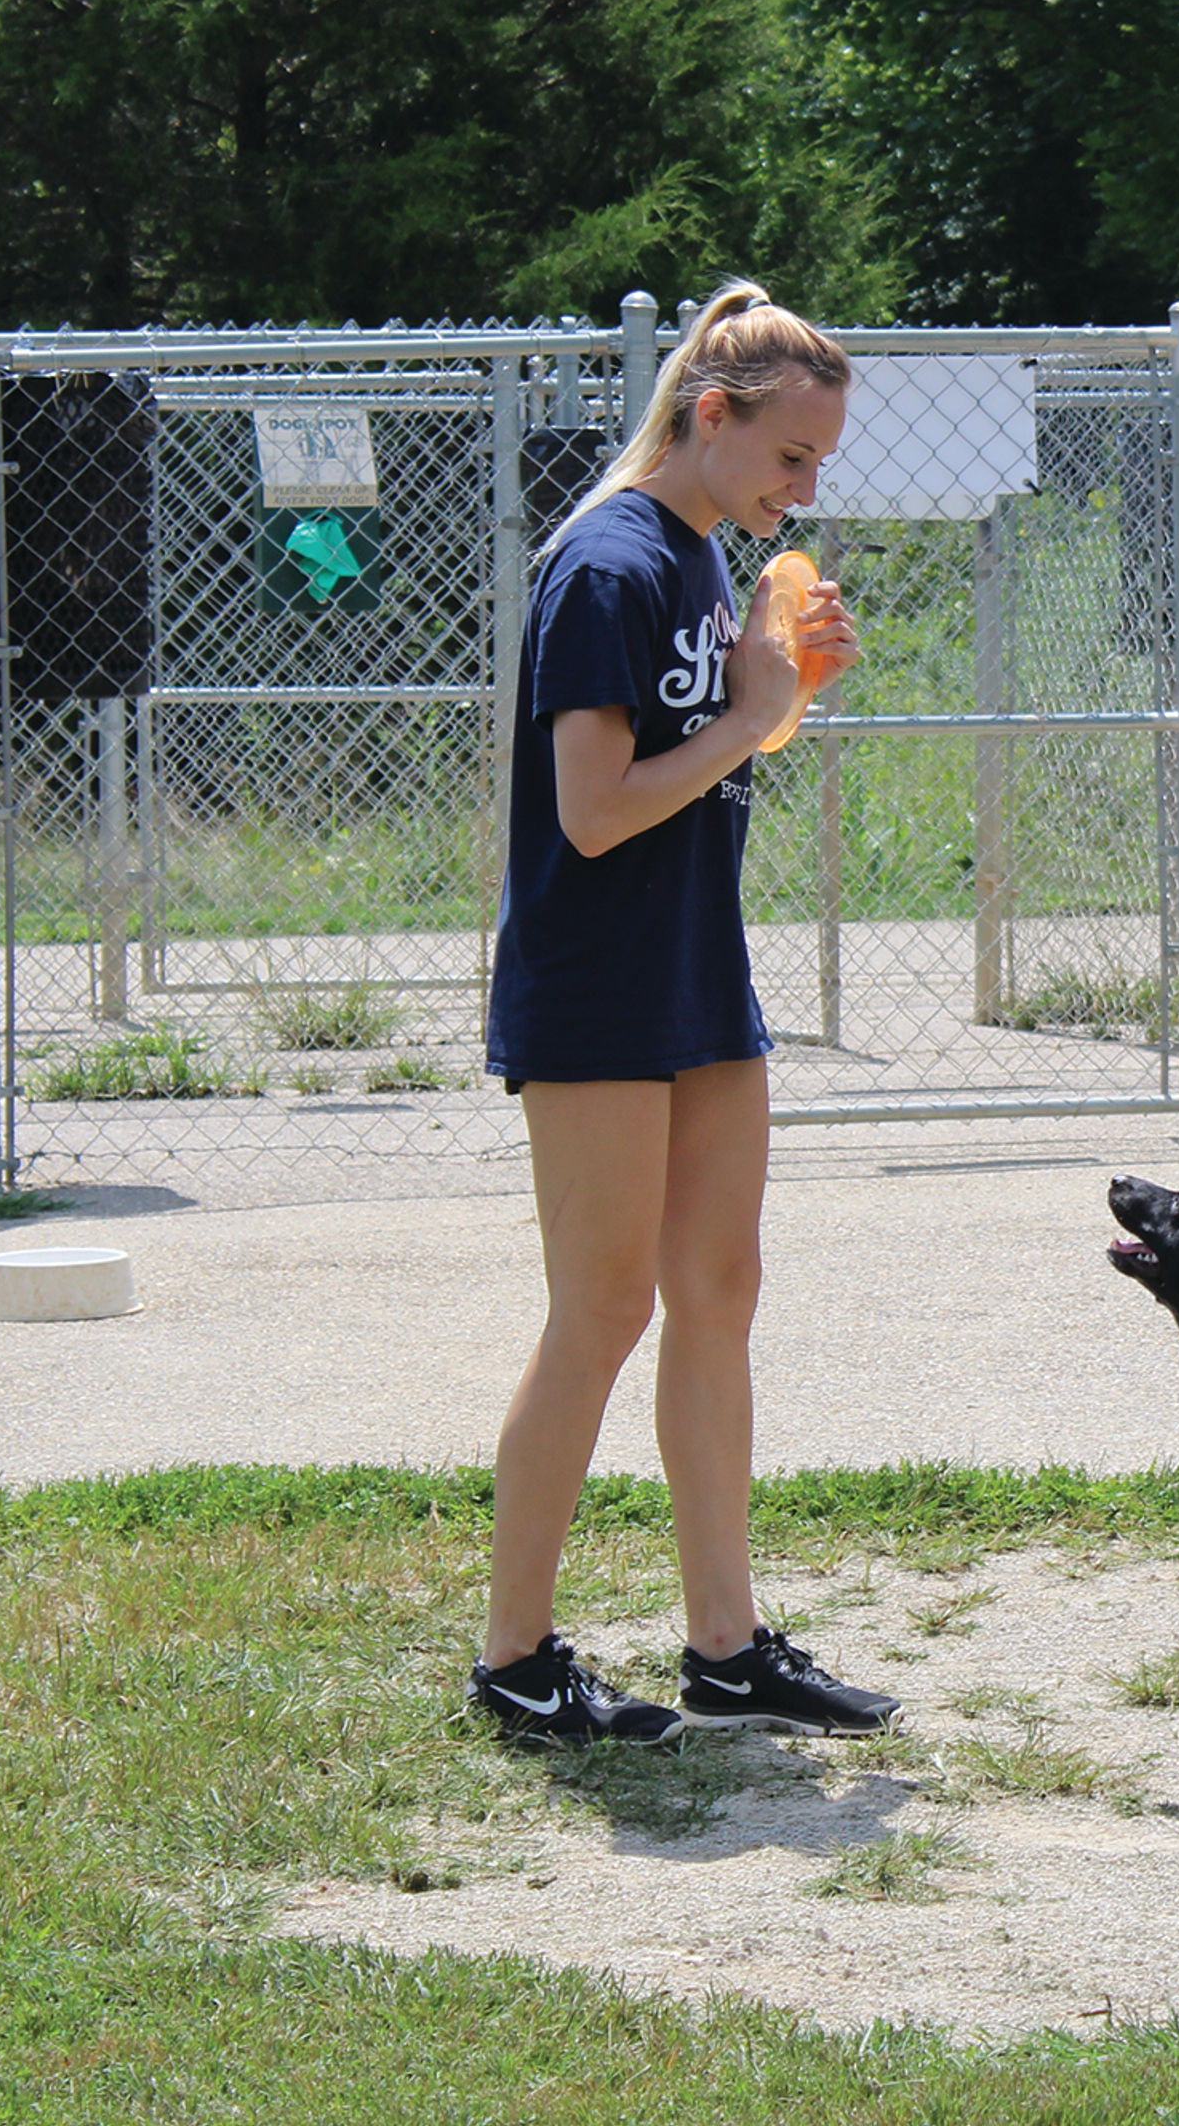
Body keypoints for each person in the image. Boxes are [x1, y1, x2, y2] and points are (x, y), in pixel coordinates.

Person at [470, 281, 899, 1747]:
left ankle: (727, 1647)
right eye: (791, 456)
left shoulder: (708, 555)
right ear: (710, 417)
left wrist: (782, 694)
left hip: (696, 976)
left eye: (821, 463)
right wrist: (746, 719)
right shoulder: (610, 563)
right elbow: (593, 817)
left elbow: (703, 766)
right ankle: (515, 1659)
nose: (806, 486)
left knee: (718, 1297)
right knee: (601, 1310)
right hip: (595, 989)